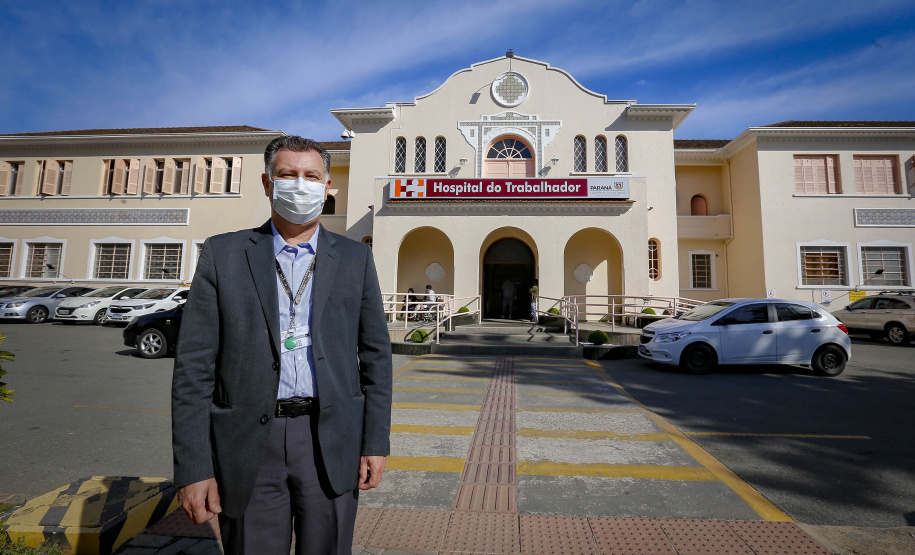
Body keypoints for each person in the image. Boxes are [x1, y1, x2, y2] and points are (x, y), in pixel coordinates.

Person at [171, 136, 393, 555]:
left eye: (311, 176)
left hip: (330, 440)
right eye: (288, 175)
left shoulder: (354, 259)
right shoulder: (224, 254)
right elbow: (193, 369)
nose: (300, 185)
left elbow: (377, 358)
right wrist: (194, 466)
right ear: (267, 183)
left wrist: (374, 442)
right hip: (249, 443)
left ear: (328, 187)